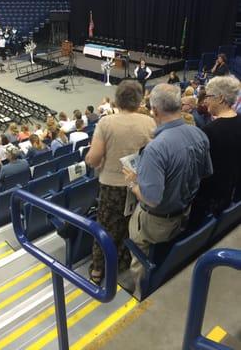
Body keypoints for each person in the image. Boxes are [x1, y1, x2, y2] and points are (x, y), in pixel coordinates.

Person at [122, 83, 213, 299]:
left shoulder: (156, 148)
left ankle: (139, 293)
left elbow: (151, 199)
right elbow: (205, 172)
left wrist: (134, 184)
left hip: (155, 221)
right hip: (184, 212)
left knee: (140, 253)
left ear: (155, 111)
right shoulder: (199, 134)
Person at [86, 80, 156, 284]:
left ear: (117, 99)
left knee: (106, 227)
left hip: (111, 186)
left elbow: (94, 157)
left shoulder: (106, 123)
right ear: (139, 99)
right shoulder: (149, 122)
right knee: (130, 225)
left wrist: (90, 161)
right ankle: (123, 262)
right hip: (137, 185)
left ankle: (98, 270)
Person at [192, 76, 241, 221]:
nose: (205, 100)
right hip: (230, 196)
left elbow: (200, 172)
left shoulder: (209, 130)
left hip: (208, 201)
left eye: (208, 96)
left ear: (220, 98)